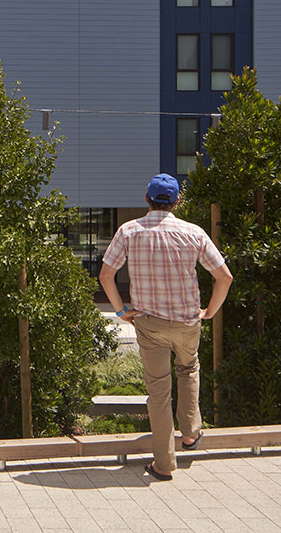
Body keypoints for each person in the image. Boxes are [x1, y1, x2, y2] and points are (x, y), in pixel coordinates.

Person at [99, 174, 233, 482]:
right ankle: (190, 434)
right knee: (188, 370)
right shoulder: (193, 232)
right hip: (188, 321)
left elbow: (106, 275)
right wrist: (209, 311)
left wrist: (121, 311)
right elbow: (224, 277)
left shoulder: (128, 231)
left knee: (158, 391)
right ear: (176, 202)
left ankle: (163, 464)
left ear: (147, 199)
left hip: (149, 323)